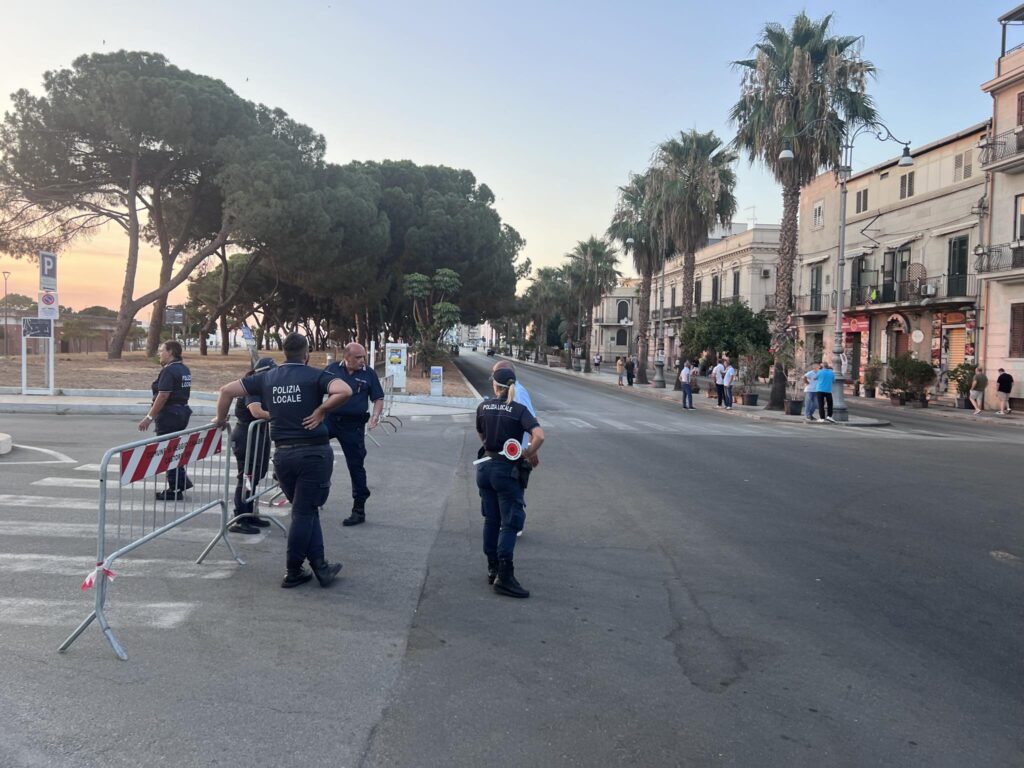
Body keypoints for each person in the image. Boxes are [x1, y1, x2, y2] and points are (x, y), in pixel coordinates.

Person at [213, 333, 352, 589]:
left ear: (283, 352)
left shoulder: (267, 378)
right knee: (303, 512)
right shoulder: (314, 375)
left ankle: (320, 566)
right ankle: (293, 570)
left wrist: (221, 420)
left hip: (284, 454)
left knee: (306, 511)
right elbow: (344, 390)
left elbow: (226, 391)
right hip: (313, 453)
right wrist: (321, 410)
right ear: (306, 352)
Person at [476, 367, 544, 598]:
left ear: (495, 386)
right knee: (510, 522)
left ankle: (492, 567)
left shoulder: (483, 406)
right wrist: (527, 452)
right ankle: (505, 576)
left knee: (491, 519)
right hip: (506, 470)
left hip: (485, 467)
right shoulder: (519, 409)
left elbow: (481, 434)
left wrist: (489, 445)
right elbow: (540, 435)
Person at [324, 343, 384, 526]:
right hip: (331, 420)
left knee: (356, 466)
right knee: (307, 443)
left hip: (353, 426)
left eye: (363, 357)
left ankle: (359, 509)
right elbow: (316, 388)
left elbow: (378, 397)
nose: (362, 361)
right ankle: (285, 474)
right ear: (346, 357)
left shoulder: (368, 373)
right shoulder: (332, 369)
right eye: (358, 357)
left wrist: (375, 416)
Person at [139, 340, 193, 500]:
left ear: (170, 352)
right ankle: (180, 482)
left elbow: (163, 395)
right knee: (174, 449)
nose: (160, 353)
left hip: (170, 414)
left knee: (168, 451)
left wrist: (149, 417)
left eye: (162, 350)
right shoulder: (184, 369)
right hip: (181, 412)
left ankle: (175, 487)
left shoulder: (169, 371)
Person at [227, 357, 275, 535]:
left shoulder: (264, 387)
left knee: (256, 475)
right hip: (246, 436)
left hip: (259, 434)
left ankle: (249, 512)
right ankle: (240, 517)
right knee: (247, 476)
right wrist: (280, 414)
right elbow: (257, 412)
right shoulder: (251, 387)